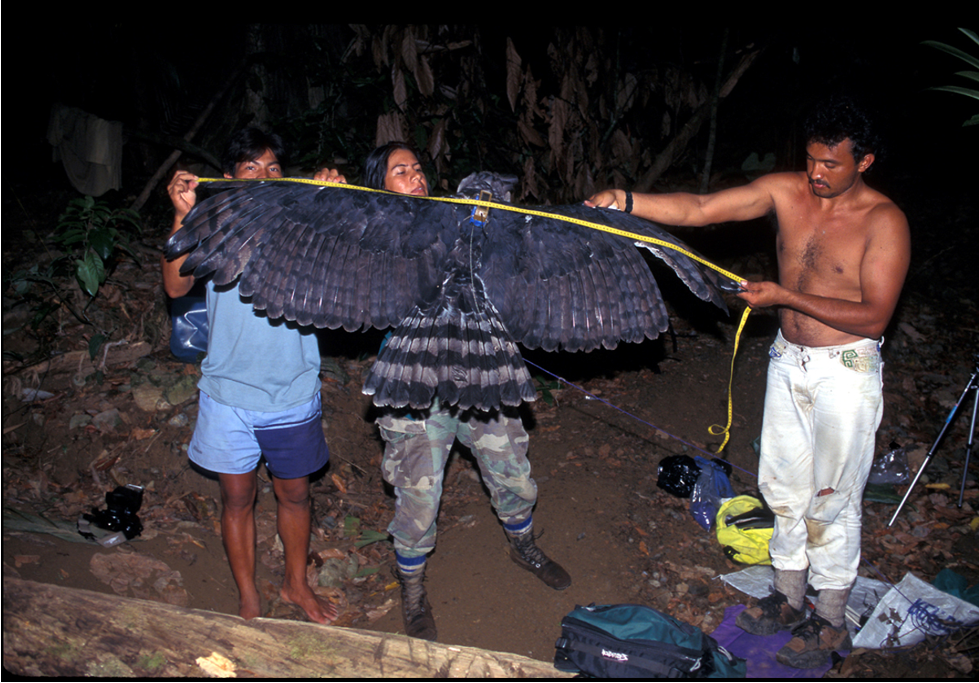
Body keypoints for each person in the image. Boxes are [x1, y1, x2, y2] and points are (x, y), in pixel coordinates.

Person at [587, 95, 910, 669]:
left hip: (847, 370)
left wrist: (783, 294)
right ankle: (787, 599)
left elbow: (876, 316)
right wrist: (628, 199)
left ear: (864, 162)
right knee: (783, 486)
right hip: (789, 360)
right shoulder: (787, 191)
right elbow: (704, 207)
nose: (816, 173)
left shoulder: (884, 221)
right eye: (811, 159)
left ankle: (830, 618)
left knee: (832, 499)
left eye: (831, 164)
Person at [365, 142, 571, 641]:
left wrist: (490, 226)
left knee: (510, 469)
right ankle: (412, 588)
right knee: (418, 493)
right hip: (413, 385)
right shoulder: (372, 237)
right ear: (379, 186)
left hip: (477, 375)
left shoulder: (454, 226)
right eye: (399, 172)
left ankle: (523, 543)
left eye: (417, 168)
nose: (414, 176)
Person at [163, 128, 345, 624]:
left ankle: (295, 584)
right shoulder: (215, 223)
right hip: (227, 393)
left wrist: (334, 204)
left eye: (273, 169)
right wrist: (182, 213)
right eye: (251, 168)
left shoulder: (303, 226)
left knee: (295, 494)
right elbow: (176, 286)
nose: (264, 176)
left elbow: (349, 271)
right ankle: (247, 593)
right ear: (228, 179)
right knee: (237, 498)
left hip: (291, 389)